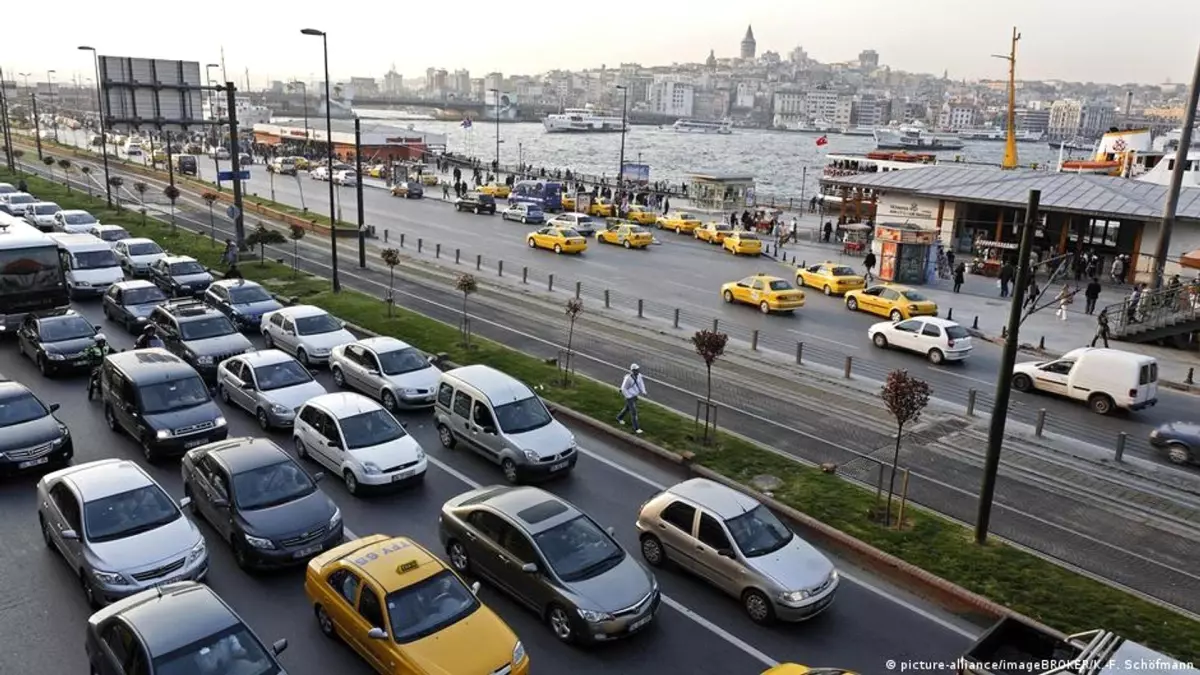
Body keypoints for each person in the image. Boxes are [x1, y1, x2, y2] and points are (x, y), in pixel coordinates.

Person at [615, 363, 647, 434]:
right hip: (629, 396)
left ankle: (619, 417)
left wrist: (643, 391)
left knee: (627, 408)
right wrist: (628, 396)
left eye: (638, 369)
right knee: (634, 412)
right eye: (636, 370)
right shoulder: (628, 378)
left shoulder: (639, 376)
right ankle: (636, 428)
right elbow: (623, 388)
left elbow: (641, 384)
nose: (638, 371)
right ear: (632, 370)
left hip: (635, 395)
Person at [85, 334, 112, 401]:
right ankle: (94, 384)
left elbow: (114, 352)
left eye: (103, 342)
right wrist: (90, 361)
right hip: (96, 366)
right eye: (100, 342)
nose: (102, 343)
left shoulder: (107, 347)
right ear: (97, 342)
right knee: (95, 374)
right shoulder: (92, 348)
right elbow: (87, 355)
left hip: (106, 365)